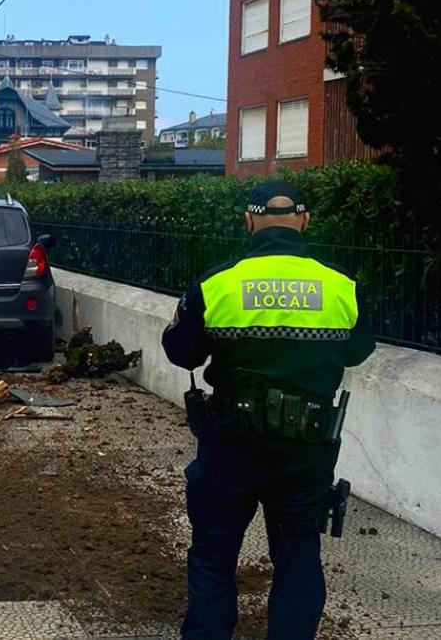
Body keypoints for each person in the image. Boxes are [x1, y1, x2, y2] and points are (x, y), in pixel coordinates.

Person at [161, 180, 376, 640]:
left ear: (249, 221)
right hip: (305, 451)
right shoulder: (341, 287)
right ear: (304, 221)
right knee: (298, 558)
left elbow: (182, 353)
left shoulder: (218, 283)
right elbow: (358, 351)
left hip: (231, 447)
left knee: (214, 555)